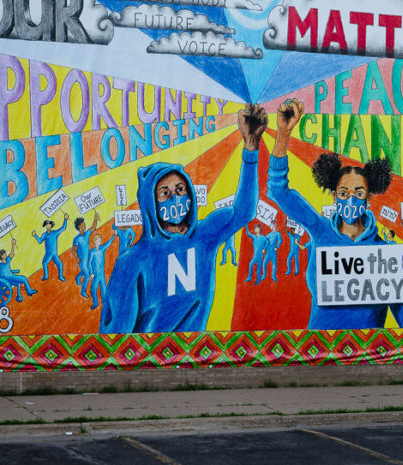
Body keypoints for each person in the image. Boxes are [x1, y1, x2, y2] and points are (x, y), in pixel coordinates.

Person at [266, 99, 403, 329]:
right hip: (317, 357)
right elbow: (277, 190)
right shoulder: (319, 229)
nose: (350, 199)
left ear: (369, 198)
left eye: (359, 193)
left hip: (367, 360)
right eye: (343, 193)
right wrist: (283, 133)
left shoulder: (387, 253)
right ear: (334, 196)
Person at [100, 103, 267, 333]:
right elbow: (115, 340)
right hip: (151, 365)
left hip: (197, 360)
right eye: (165, 193)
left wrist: (250, 147)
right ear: (150, 203)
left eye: (180, 189)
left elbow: (245, 210)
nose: (175, 199)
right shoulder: (132, 261)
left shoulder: (205, 236)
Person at [0, 237, 37, 302]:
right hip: (8, 278)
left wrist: (13, 245)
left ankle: (18, 295)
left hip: (10, 277)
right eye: (3, 254)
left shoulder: (7, 261)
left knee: (18, 283)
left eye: (5, 253)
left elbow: (12, 254)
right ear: (1, 257)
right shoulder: (0, 265)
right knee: (24, 279)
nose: (5, 254)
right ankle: (29, 291)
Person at [31, 214, 68, 281]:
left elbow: (63, 228)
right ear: (45, 226)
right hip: (48, 254)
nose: (48, 226)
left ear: (51, 225)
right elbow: (39, 241)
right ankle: (46, 275)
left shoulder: (55, 232)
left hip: (54, 254)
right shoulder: (44, 234)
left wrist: (65, 219)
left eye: (49, 224)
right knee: (44, 263)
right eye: (46, 225)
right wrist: (35, 235)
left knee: (60, 264)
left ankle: (60, 276)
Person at [72, 211, 99, 298]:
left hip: (87, 258)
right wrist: (76, 258)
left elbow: (93, 227)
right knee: (87, 275)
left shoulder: (87, 234)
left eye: (84, 224)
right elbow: (74, 249)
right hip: (81, 260)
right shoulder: (76, 238)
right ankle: (83, 291)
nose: (85, 225)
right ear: (79, 226)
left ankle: (77, 277)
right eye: (83, 224)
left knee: (85, 271)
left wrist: (95, 219)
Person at [86, 232, 116, 310]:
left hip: (101, 274)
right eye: (97, 240)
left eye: (100, 240)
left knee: (104, 290)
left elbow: (108, 243)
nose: (99, 241)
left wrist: (114, 235)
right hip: (95, 275)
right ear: (94, 241)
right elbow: (88, 263)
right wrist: (91, 273)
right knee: (93, 289)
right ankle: (95, 302)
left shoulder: (102, 249)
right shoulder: (92, 252)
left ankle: (105, 303)